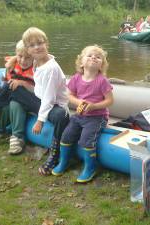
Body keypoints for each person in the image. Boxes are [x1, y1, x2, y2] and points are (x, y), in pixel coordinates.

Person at [52, 45, 114, 183]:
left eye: (98, 57)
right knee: (66, 136)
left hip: (97, 117)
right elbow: (70, 95)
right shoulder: (76, 78)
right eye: (90, 55)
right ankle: (64, 162)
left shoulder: (102, 81)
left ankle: (90, 167)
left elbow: (110, 100)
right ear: (81, 62)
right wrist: (79, 102)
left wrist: (94, 106)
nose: (94, 58)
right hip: (80, 115)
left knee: (86, 140)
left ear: (101, 65)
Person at [21, 27, 70, 175]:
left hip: (54, 106)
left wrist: (40, 121)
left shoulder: (51, 68)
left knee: (62, 116)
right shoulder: (36, 62)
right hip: (40, 100)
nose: (37, 47)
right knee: (15, 87)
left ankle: (55, 154)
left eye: (40, 43)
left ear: (47, 44)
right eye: (32, 45)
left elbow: (49, 98)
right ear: (28, 50)